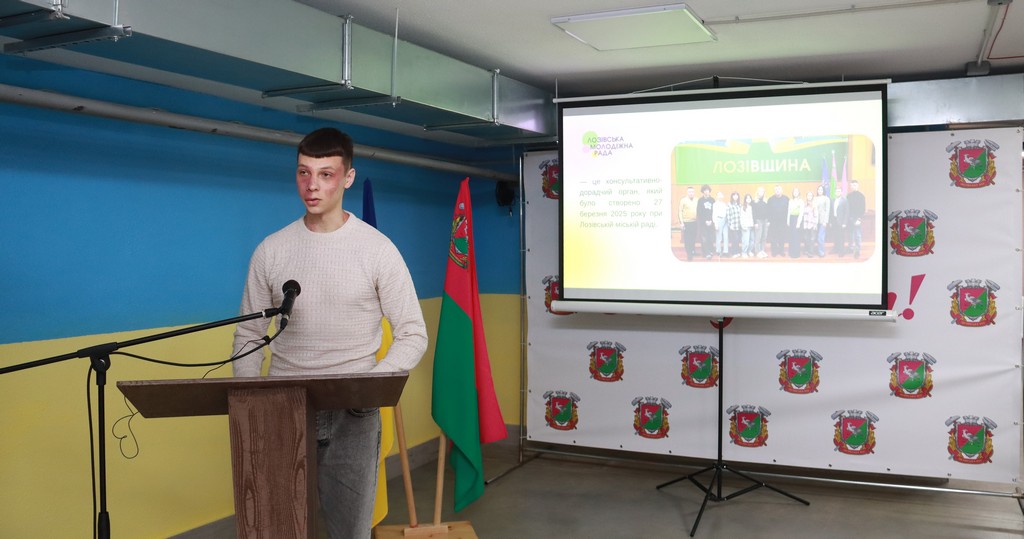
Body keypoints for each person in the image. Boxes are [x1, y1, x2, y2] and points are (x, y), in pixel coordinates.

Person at [231, 127, 428, 539]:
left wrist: (369, 386)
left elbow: (413, 332)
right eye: (303, 173)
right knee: (277, 527)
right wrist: (251, 403)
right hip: (283, 405)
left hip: (353, 414)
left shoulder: (377, 249)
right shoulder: (271, 250)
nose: (312, 185)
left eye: (326, 174)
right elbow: (249, 332)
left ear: (348, 177)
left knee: (349, 532)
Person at [766, 184, 789, 257]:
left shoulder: (786, 199)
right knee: (773, 238)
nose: (777, 191)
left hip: (783, 222)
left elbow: (788, 210)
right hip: (773, 222)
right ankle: (774, 251)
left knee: (782, 237)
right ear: (774, 191)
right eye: (776, 190)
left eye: (779, 189)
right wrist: (768, 221)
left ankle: (781, 251)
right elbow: (768, 211)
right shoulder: (770, 199)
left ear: (781, 190)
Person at [677, 186, 699, 261]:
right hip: (686, 222)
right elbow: (680, 211)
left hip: (694, 222)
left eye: (692, 192)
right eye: (689, 192)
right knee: (687, 239)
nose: (691, 193)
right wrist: (681, 223)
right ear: (687, 192)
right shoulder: (683, 200)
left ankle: (692, 251)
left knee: (693, 238)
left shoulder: (697, 200)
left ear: (694, 192)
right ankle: (689, 253)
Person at [846, 179, 867, 258]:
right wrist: (848, 218)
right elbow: (847, 208)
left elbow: (863, 209)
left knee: (857, 235)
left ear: (858, 186)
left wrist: (859, 219)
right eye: (852, 185)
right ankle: (850, 248)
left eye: (854, 185)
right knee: (850, 234)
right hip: (850, 218)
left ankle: (857, 251)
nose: (853, 187)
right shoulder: (848, 196)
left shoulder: (861, 196)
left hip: (857, 219)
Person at [696, 184, 715, 259]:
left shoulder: (712, 200)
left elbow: (715, 211)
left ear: (709, 191)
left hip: (711, 222)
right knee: (704, 238)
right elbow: (699, 212)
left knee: (710, 238)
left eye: (707, 190)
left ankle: (710, 251)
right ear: (703, 191)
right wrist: (705, 221)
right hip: (703, 223)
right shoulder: (700, 200)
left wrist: (711, 221)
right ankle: (706, 253)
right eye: (705, 190)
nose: (706, 192)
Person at [812, 184, 830, 257]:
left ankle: (821, 252)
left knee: (820, 237)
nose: (820, 191)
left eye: (821, 190)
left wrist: (825, 221)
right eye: (818, 189)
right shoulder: (815, 198)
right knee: (814, 237)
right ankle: (814, 250)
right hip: (815, 220)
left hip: (823, 220)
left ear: (823, 191)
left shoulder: (826, 198)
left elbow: (827, 210)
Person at [751, 186, 769, 258]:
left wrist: (768, 221)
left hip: (765, 220)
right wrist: (755, 223)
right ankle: (757, 251)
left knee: (764, 236)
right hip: (758, 221)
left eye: (762, 191)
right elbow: (753, 213)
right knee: (758, 237)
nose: (761, 193)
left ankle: (762, 250)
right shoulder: (754, 201)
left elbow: (768, 211)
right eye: (760, 191)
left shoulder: (766, 201)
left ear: (764, 193)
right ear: (757, 192)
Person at [800, 190, 818, 257]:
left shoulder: (814, 205)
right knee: (806, 238)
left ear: (812, 197)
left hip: (812, 224)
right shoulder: (804, 204)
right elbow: (802, 214)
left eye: (810, 195)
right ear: (806, 196)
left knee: (812, 239)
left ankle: (811, 252)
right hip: (805, 224)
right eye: (808, 195)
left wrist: (815, 224)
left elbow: (816, 215)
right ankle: (806, 250)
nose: (809, 196)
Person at [787, 187, 803, 258]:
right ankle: (791, 253)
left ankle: (796, 253)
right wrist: (788, 221)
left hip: (797, 219)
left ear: (799, 193)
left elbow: (801, 213)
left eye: (797, 191)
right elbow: (789, 211)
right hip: (791, 219)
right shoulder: (790, 201)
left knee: (796, 237)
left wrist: (798, 223)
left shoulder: (801, 201)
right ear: (793, 193)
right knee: (791, 236)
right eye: (794, 192)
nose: (795, 193)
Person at [712, 191, 728, 258]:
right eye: (719, 195)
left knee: (726, 236)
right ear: (717, 196)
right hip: (718, 220)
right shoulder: (715, 204)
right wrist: (715, 223)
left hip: (725, 220)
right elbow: (714, 214)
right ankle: (718, 251)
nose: (720, 196)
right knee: (719, 237)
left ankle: (725, 251)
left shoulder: (724, 204)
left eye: (721, 195)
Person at [740, 193, 754, 258]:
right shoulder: (743, 207)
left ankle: (749, 251)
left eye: (749, 198)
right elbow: (741, 217)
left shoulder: (752, 207)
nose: (748, 199)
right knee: (746, 241)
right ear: (745, 199)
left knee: (752, 240)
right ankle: (744, 252)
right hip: (745, 226)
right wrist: (743, 225)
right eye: (747, 198)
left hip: (752, 226)